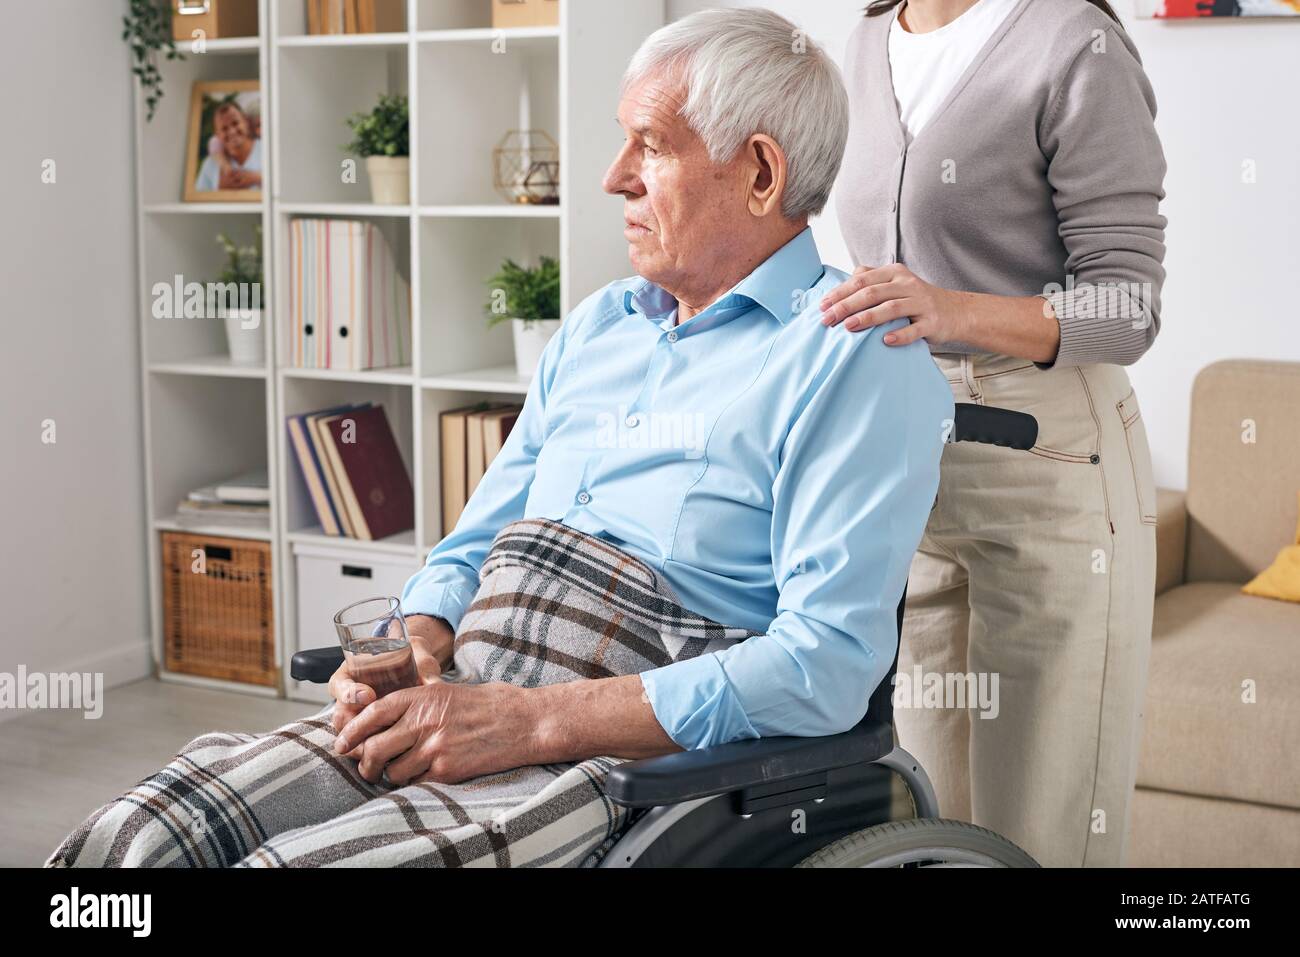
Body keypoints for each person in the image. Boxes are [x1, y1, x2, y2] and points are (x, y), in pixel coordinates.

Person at [49, 8, 952, 868]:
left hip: (605, 750)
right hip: (462, 693)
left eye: (651, 145)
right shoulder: (601, 325)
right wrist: (424, 636)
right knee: (138, 836)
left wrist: (532, 720)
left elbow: (825, 664)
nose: (613, 176)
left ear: (759, 172)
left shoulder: (854, 357)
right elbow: (478, 536)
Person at [820, 0, 1166, 867]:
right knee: (938, 836)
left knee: (1043, 835)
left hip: (1052, 465)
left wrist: (949, 308)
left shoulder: (1071, 41)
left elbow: (1127, 307)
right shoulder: (865, 44)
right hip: (913, 472)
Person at [195, 99, 262, 192]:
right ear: (217, 134)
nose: (232, 131)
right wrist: (220, 190)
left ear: (246, 122)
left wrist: (258, 178)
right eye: (224, 128)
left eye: (235, 123)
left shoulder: (267, 150)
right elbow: (199, 201)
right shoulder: (210, 165)